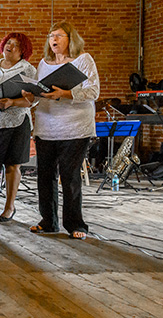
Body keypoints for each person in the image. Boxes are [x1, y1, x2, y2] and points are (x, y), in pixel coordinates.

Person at [24, 21, 99, 240]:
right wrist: (31, 96)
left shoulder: (83, 60)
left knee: (70, 176)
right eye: (50, 36)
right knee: (45, 177)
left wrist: (64, 94)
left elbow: (93, 91)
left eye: (58, 35)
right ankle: (48, 221)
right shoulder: (44, 63)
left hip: (75, 127)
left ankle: (76, 224)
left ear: (70, 38)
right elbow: (40, 96)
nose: (53, 39)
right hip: (46, 127)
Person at [0, 33, 36, 223]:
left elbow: (32, 99)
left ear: (23, 52)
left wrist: (12, 101)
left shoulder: (28, 70)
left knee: (12, 165)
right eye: (8, 43)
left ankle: (9, 207)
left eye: (16, 45)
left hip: (17, 121)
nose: (10, 46)